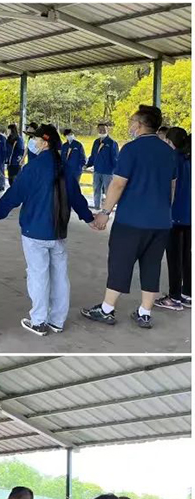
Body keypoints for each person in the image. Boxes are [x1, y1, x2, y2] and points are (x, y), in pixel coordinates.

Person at [0, 124, 95, 336]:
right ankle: (57, 321)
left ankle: (39, 321)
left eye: (36, 139)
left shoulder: (33, 168)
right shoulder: (64, 167)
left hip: (34, 231)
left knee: (38, 275)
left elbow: (14, 195)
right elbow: (76, 197)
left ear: (45, 143)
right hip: (58, 231)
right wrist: (89, 218)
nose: (33, 142)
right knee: (59, 276)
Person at [82, 105, 177, 330]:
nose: (130, 125)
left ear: (140, 125)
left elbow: (118, 183)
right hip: (161, 222)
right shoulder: (168, 151)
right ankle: (145, 313)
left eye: (133, 121)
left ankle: (107, 309)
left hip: (132, 220)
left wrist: (105, 213)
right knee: (152, 265)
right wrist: (164, 211)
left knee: (120, 262)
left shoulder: (131, 149)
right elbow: (172, 186)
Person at [155, 127, 191, 310]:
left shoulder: (172, 159)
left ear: (170, 142)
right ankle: (188, 293)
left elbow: (168, 189)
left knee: (174, 257)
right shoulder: (188, 158)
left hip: (174, 216)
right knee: (187, 255)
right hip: (189, 216)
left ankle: (174, 297)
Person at [85, 123, 119, 209]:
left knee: (108, 191)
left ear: (108, 130)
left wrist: (116, 171)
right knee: (96, 190)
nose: (102, 131)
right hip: (97, 171)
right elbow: (93, 155)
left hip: (108, 172)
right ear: (97, 130)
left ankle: (107, 209)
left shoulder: (112, 143)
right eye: (100, 129)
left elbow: (115, 158)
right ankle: (97, 207)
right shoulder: (96, 142)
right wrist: (87, 165)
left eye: (104, 129)